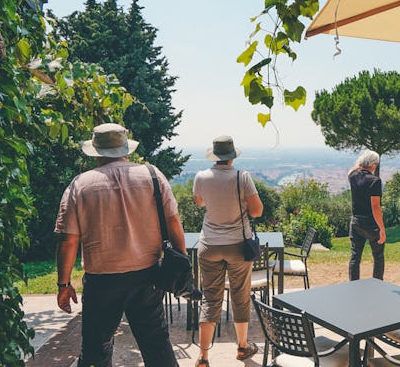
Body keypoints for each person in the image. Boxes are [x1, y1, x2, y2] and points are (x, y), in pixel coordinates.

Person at [55, 123, 184, 367]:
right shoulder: (152, 175)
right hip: (147, 276)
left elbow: (68, 239)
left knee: (96, 349)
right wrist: (181, 263)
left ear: (96, 151)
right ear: (126, 148)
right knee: (156, 344)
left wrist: (64, 284)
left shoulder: (79, 185)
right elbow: (173, 222)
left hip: (102, 281)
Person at [192, 136, 263, 367]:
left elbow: (200, 203)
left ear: (214, 156)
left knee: (210, 300)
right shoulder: (242, 177)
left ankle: (203, 357)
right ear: (232, 156)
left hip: (209, 245)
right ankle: (242, 347)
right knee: (240, 297)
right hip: (237, 246)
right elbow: (257, 211)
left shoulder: (201, 177)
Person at [347, 150, 387, 281]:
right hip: (370, 224)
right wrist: (381, 229)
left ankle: (353, 284)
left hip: (355, 222)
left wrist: (359, 164)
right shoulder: (375, 181)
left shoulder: (353, 176)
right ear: (374, 165)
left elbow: (352, 170)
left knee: (355, 256)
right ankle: (377, 284)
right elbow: (376, 207)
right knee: (378, 256)